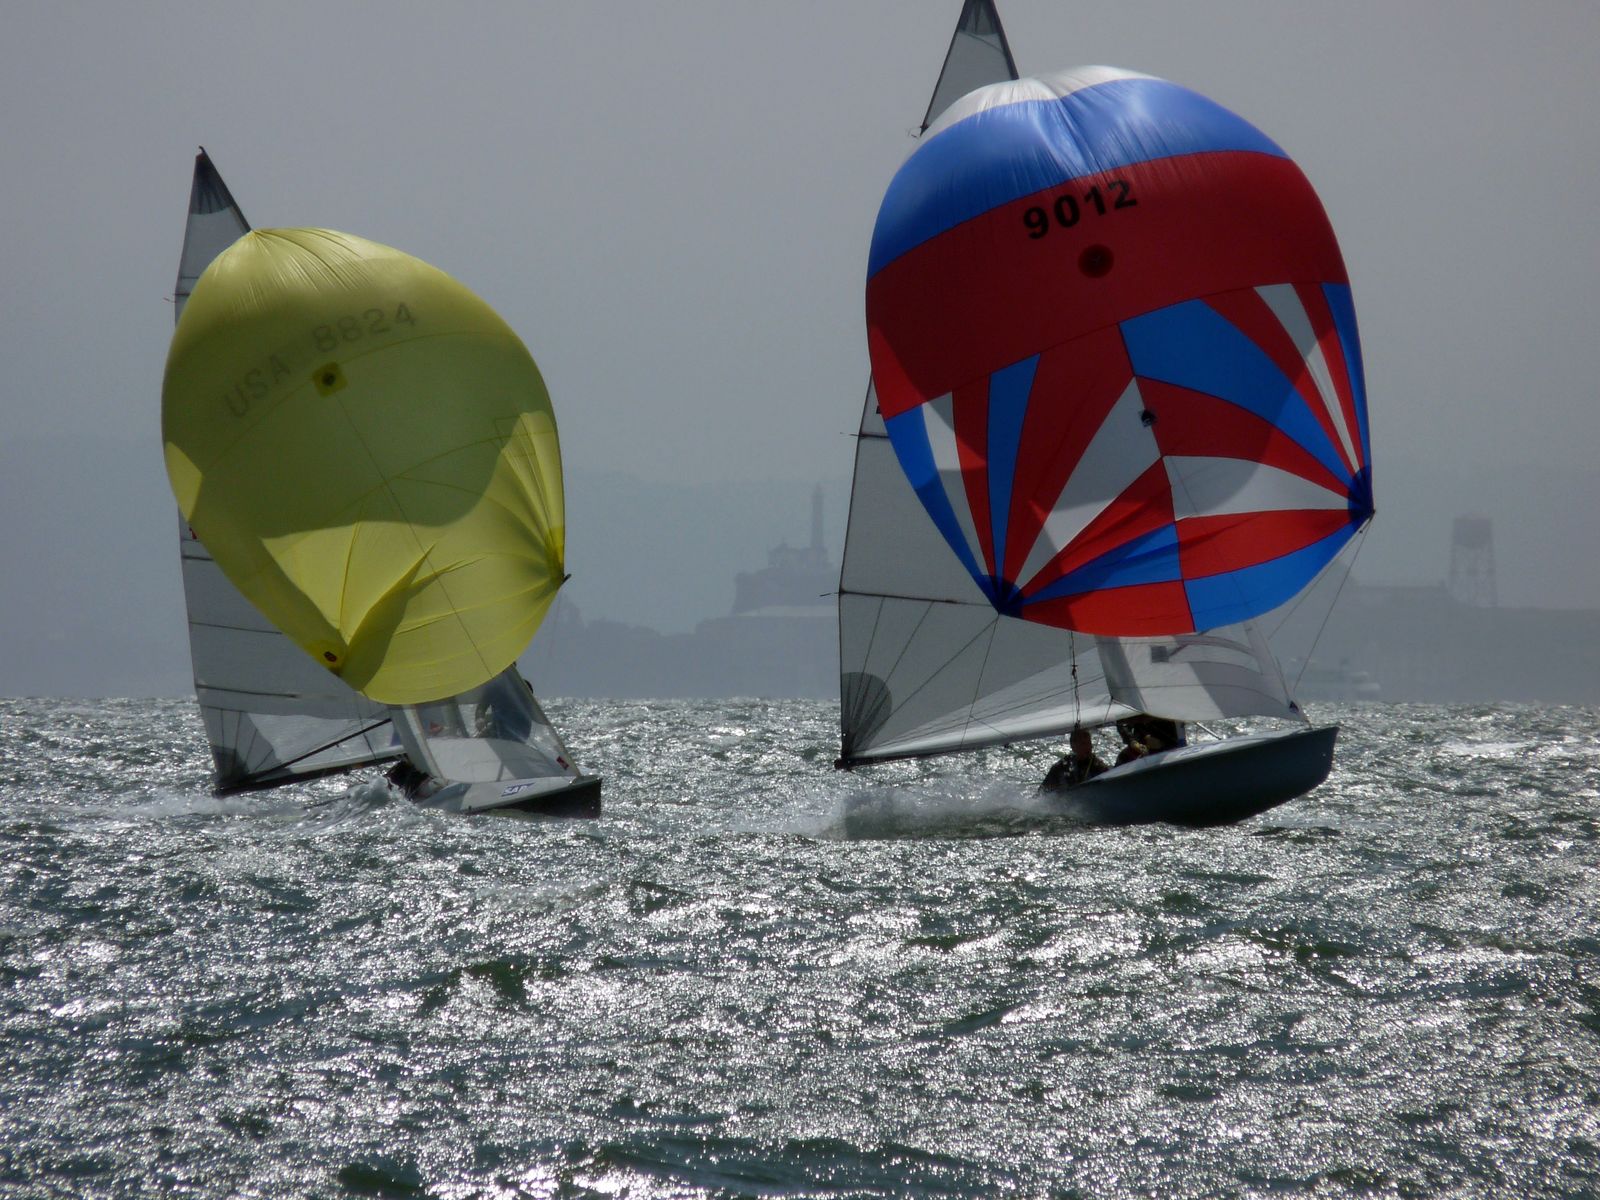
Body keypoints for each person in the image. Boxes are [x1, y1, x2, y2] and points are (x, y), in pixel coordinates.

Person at [1041, 728, 1109, 793]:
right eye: (1083, 744)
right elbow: (1042, 792)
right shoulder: (1060, 767)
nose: (1088, 747)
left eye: (1089, 743)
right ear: (1073, 746)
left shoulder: (1098, 765)